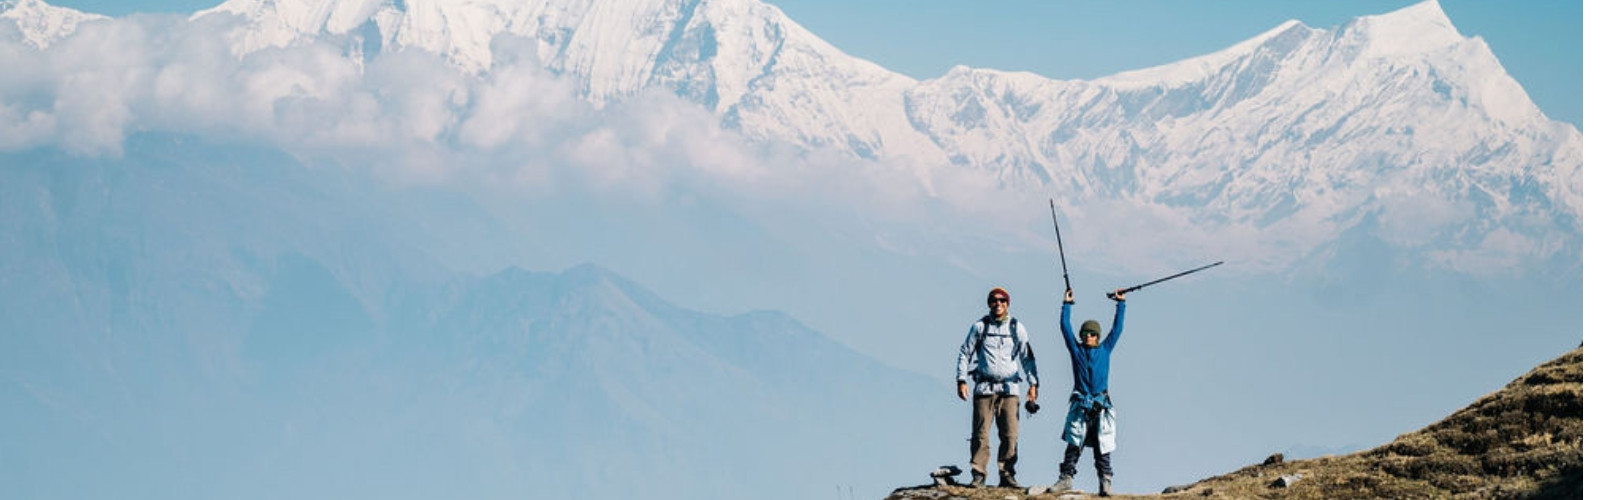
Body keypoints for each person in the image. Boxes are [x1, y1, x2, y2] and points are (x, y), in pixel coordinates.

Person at [955, 287, 1039, 489]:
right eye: (994, 300)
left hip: (1009, 389)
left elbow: (1027, 358)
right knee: (980, 434)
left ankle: (1007, 474)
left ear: (1007, 303)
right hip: (984, 387)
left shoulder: (1017, 328)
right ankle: (979, 474)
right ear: (989, 303)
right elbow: (965, 353)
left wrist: (1033, 384)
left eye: (1002, 300)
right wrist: (961, 380)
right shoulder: (980, 327)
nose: (998, 303)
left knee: (1010, 434)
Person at [1048, 288, 1126, 497]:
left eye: (1092, 334)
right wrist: (1067, 304)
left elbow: (1117, 329)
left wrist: (1121, 304)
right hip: (1081, 405)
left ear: (1098, 336)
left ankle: (1105, 483)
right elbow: (1065, 328)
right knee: (1074, 444)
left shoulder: (1105, 349)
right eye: (1084, 333)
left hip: (1101, 406)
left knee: (1103, 448)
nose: (1088, 336)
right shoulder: (1076, 350)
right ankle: (1066, 479)